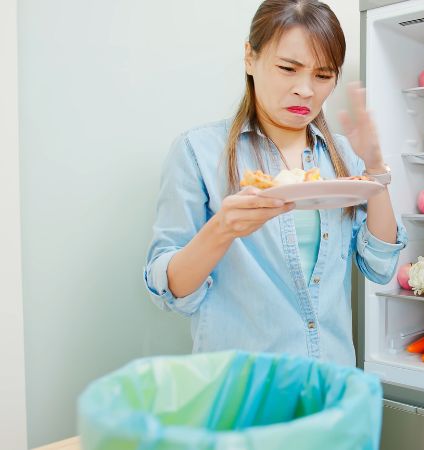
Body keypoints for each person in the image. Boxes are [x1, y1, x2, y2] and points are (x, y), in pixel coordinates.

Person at [143, 0, 406, 366]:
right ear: (250, 58)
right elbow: (170, 292)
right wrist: (222, 228)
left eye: (323, 75)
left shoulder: (343, 154)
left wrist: (375, 168)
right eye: (288, 68)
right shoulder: (197, 151)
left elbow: (380, 266)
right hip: (242, 392)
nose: (305, 90)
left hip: (329, 384)